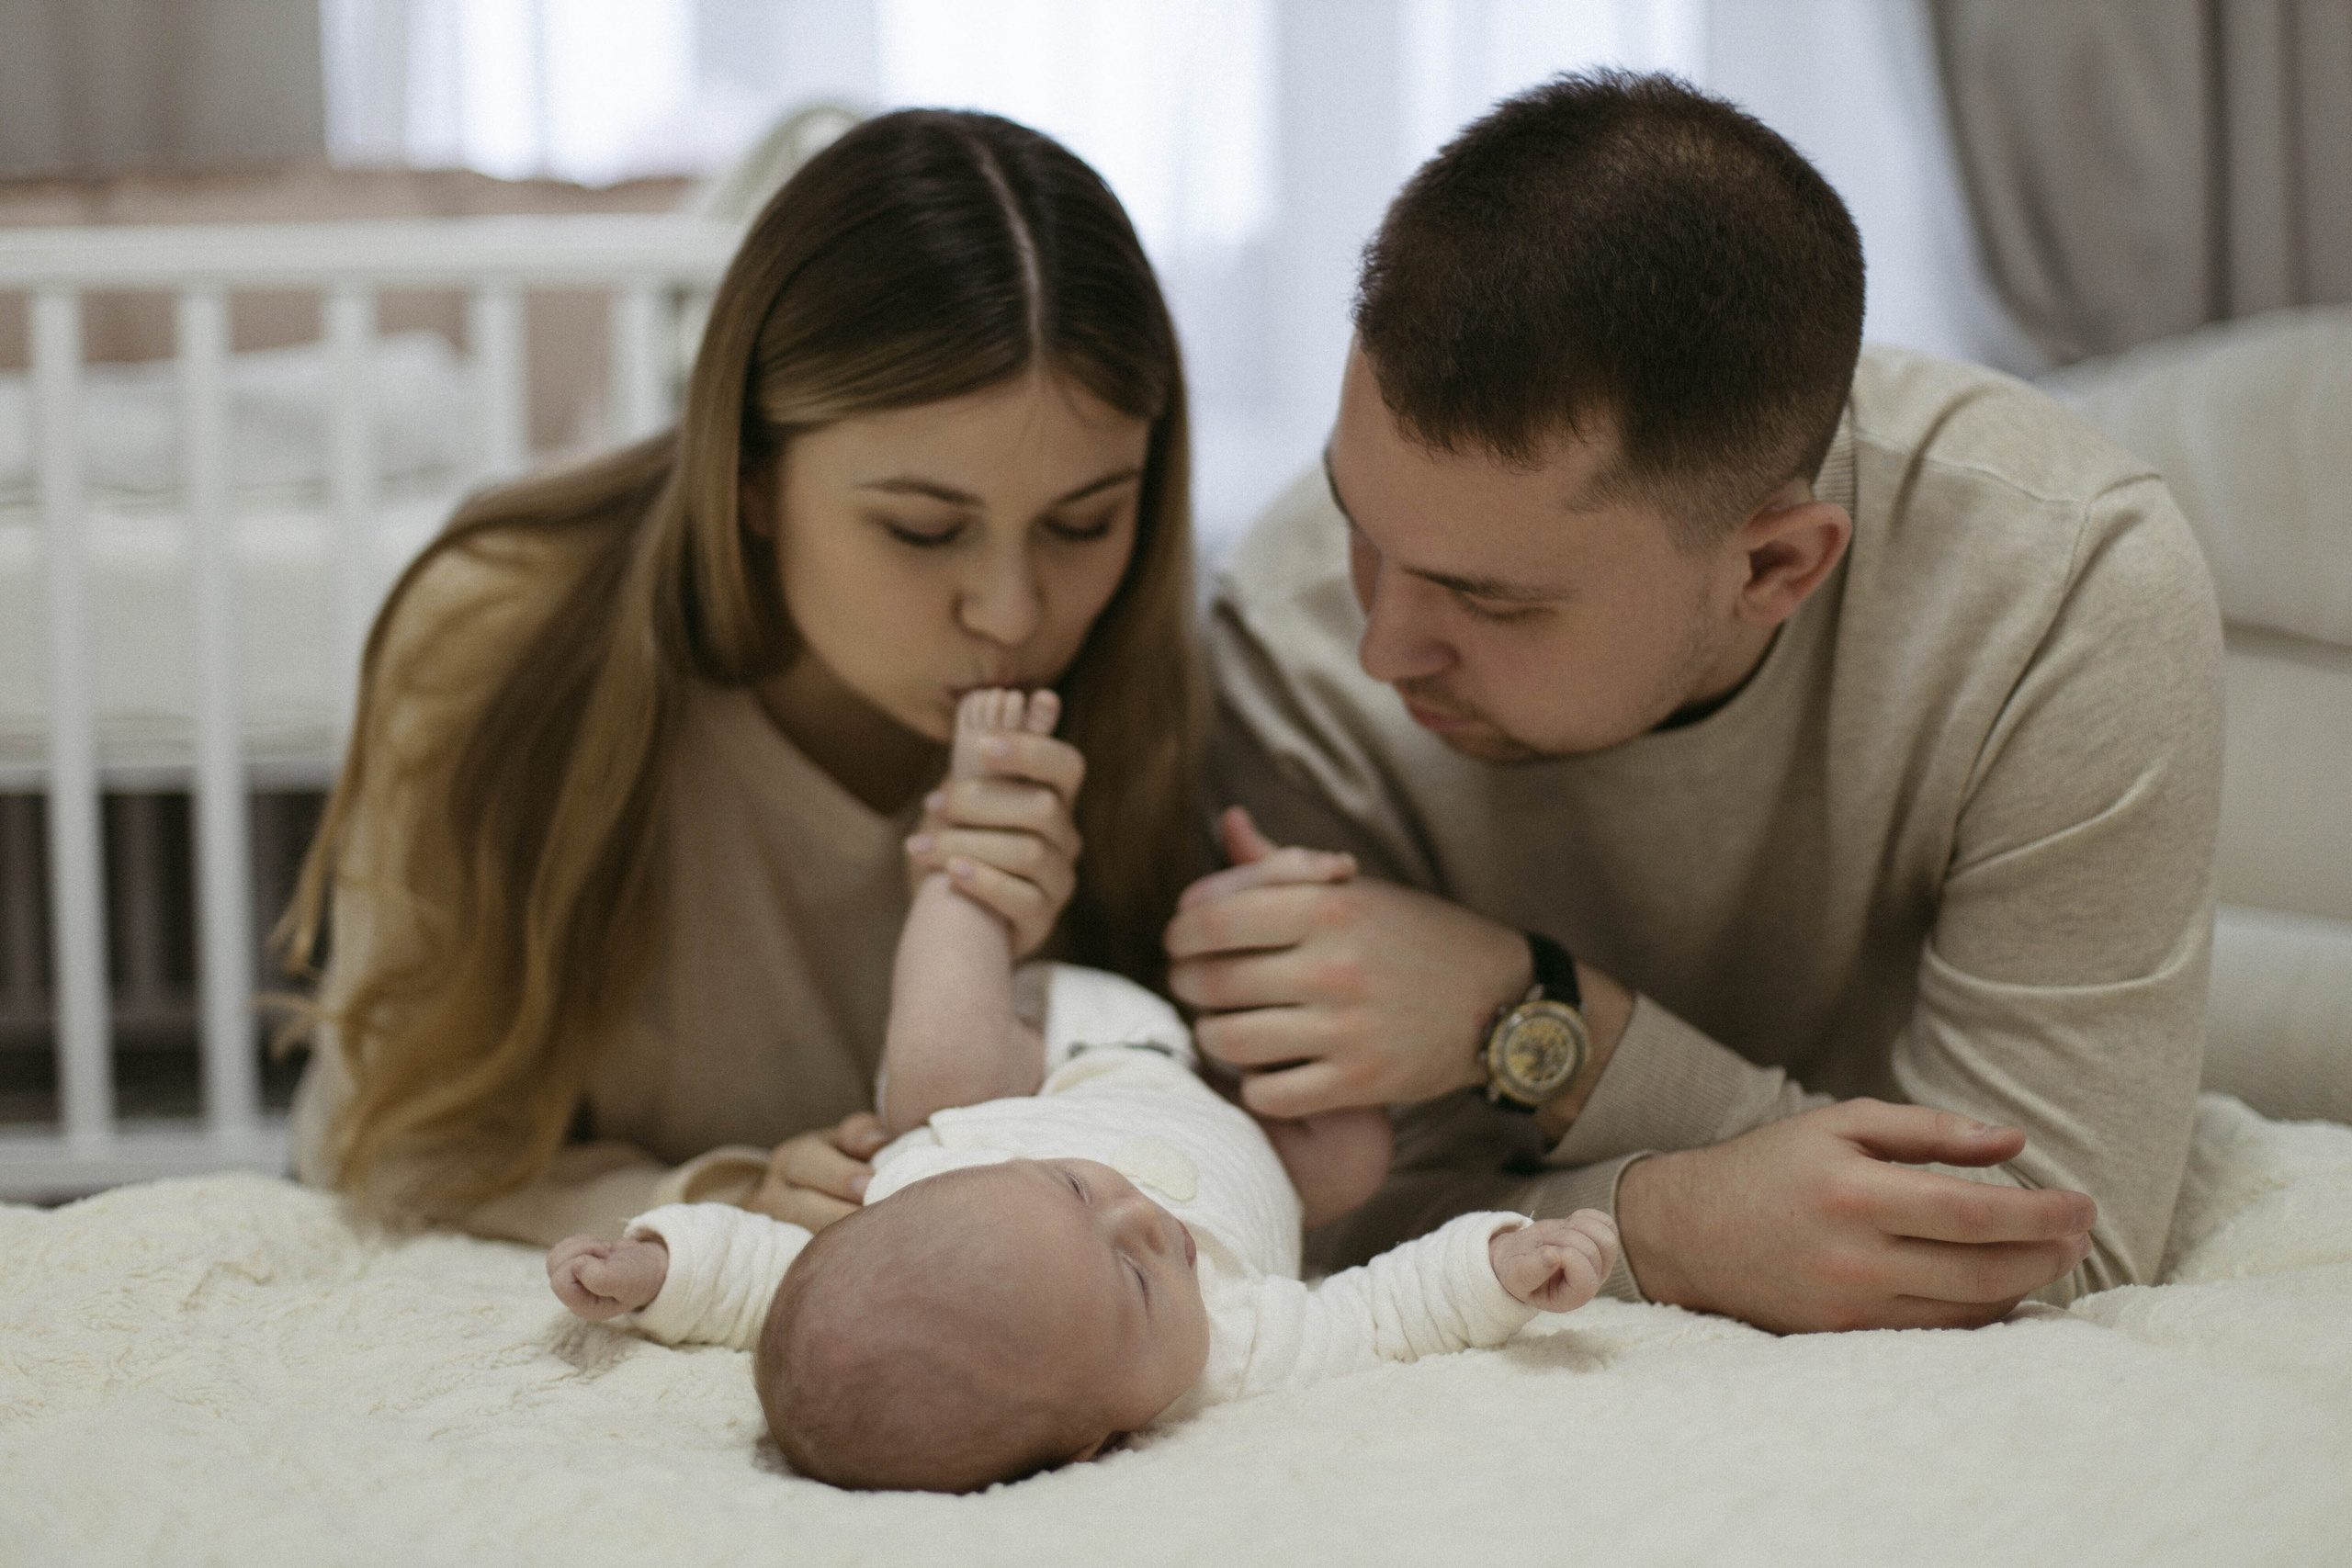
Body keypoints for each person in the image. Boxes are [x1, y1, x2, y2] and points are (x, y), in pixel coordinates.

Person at [1166, 71, 2224, 1334]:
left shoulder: (2063, 586)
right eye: (1358, 522)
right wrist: (1678, 1217)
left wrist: (1544, 1022)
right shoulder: (1292, 633)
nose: (1383, 645)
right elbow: (1286, 1230)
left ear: (1777, 565)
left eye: (1490, 602)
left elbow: (2049, 1241)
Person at [283, 109, 1204, 1246]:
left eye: (1084, 522)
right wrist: (718, 1203)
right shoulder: (500, 633)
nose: (1012, 613)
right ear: (751, 476)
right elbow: (388, 1151)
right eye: (922, 530)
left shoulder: (1148, 676)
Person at [548, 690, 1620, 1493]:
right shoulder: (1232, 1355)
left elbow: (762, 1279)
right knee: (1347, 1164)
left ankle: (972, 844)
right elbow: (1385, 1312)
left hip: (1067, 1059)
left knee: (936, 1082)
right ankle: (1281, 911)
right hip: (1236, 1116)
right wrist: (1502, 1268)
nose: (1141, 1214)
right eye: (1139, 1284)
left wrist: (651, 1264)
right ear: (1101, 1439)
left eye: (1069, 1192)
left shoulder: (911, 1223)